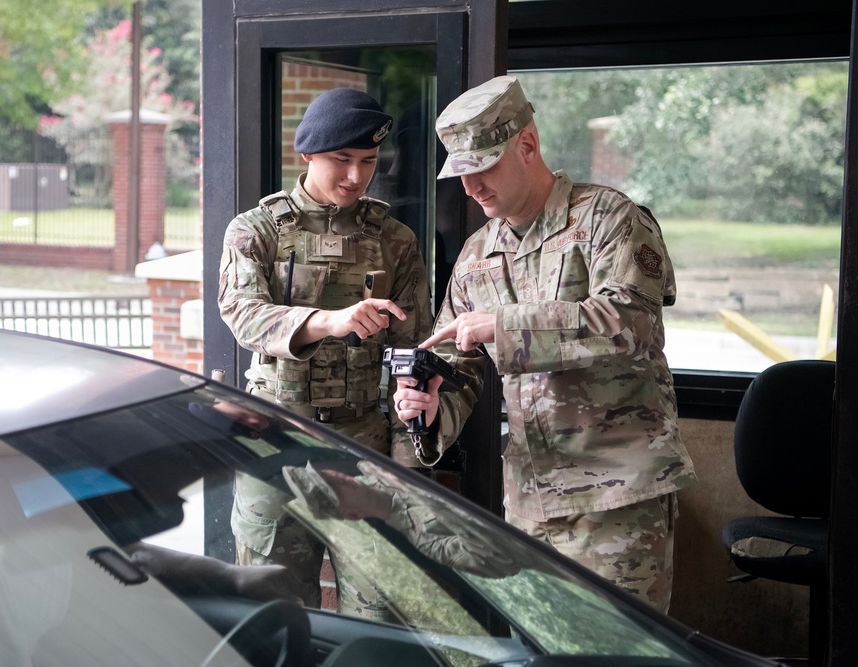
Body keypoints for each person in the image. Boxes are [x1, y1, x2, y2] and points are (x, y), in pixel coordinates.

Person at [391, 75, 698, 613]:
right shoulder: (475, 255)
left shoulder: (610, 219)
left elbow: (631, 323)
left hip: (616, 497)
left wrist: (504, 326)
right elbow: (456, 360)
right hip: (530, 501)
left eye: (482, 167)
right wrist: (432, 401)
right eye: (461, 173)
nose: (469, 187)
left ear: (527, 146)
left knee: (616, 657)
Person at [218, 87, 433, 618]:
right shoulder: (256, 230)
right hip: (276, 442)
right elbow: (242, 313)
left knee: (381, 613)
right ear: (308, 154)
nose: (356, 177)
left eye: (367, 161)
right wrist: (326, 321)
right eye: (342, 160)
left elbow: (415, 353)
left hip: (363, 446)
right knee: (270, 612)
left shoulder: (395, 239)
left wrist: (408, 472)